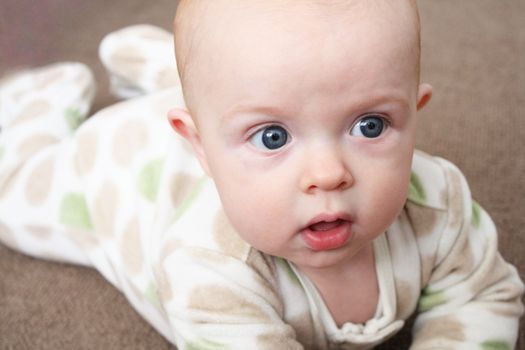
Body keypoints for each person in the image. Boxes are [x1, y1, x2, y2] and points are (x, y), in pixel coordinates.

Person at [0, 0, 523, 349]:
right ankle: (50, 94)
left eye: (370, 125)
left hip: (229, 115)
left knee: (261, 83)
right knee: (12, 198)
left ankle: (175, 72)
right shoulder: (207, 267)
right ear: (199, 147)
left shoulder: (439, 204)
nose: (328, 174)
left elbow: (483, 294)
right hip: (126, 166)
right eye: (273, 137)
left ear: (414, 112)